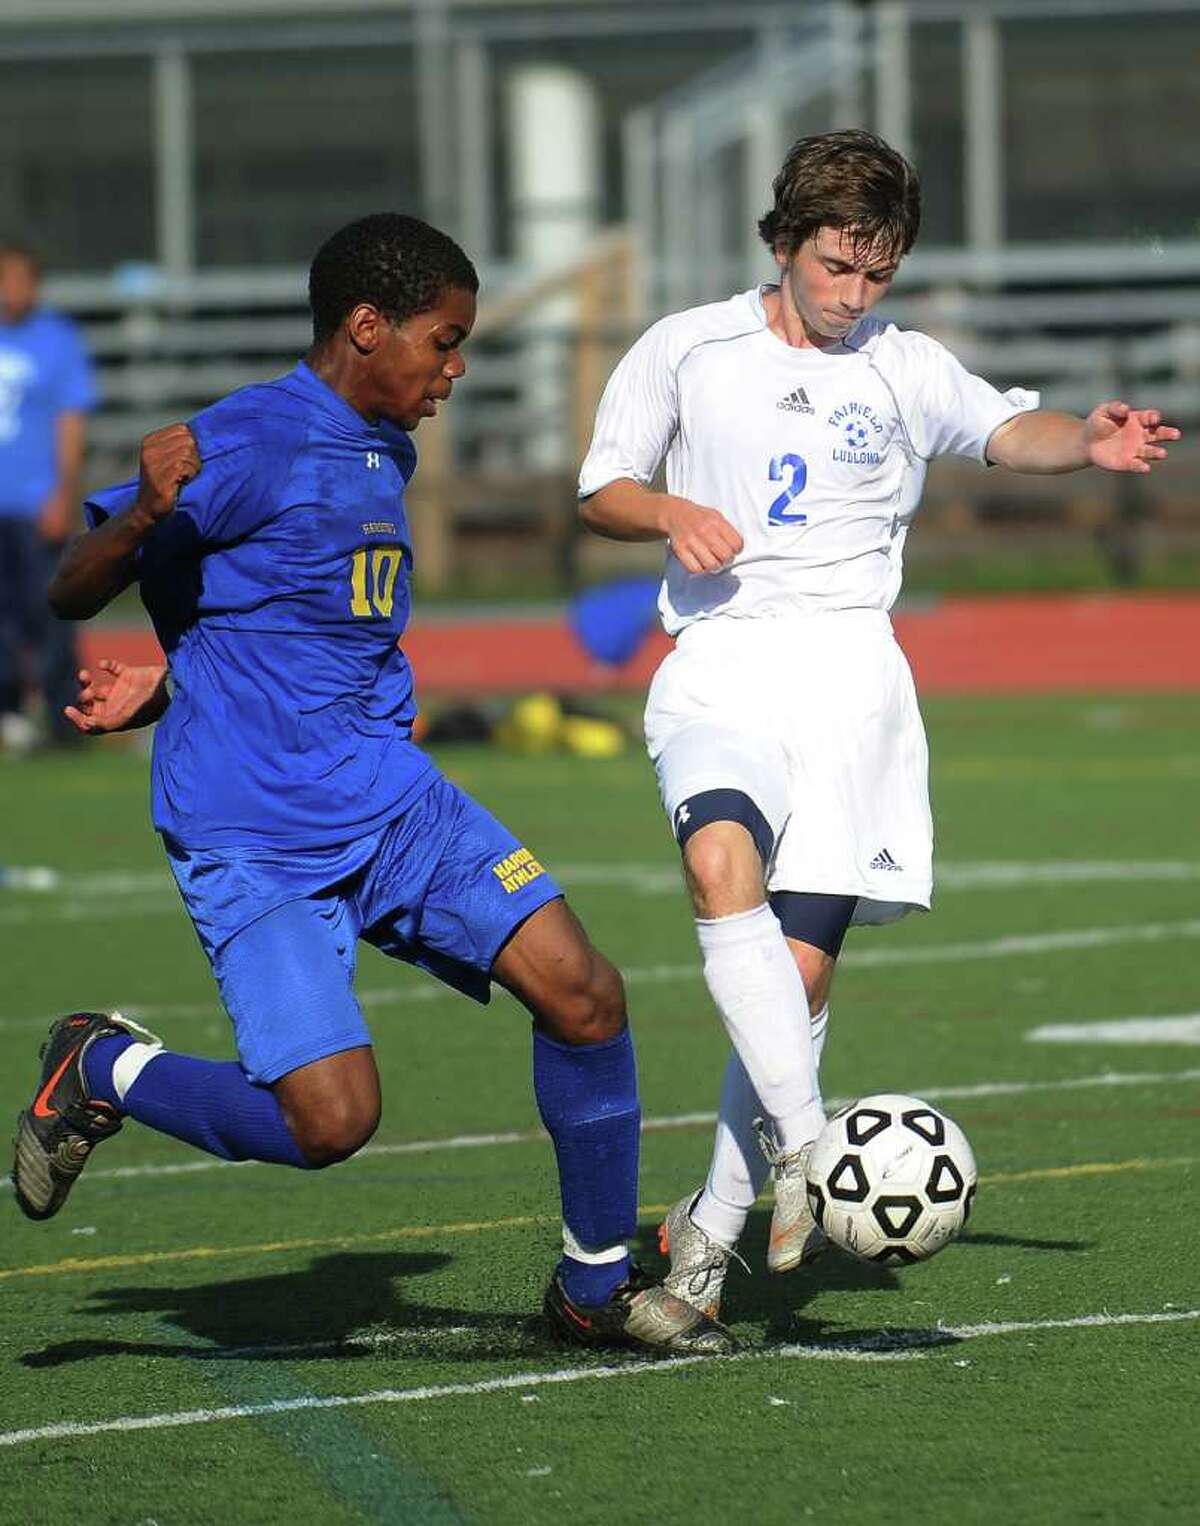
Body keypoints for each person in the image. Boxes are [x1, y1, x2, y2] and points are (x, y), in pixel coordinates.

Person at [10, 212, 732, 1358]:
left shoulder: (382, 441)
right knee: (331, 1122)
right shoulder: (244, 441)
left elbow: (287, 618)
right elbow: (67, 589)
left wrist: (173, 677)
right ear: (365, 326)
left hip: (394, 800)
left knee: (585, 991)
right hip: (254, 833)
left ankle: (593, 1284)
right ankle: (105, 1064)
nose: (454, 371)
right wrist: (145, 515)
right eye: (443, 343)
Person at [577, 129, 1180, 1319]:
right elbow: (601, 487)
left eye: (878, 275)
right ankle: (811, 1145)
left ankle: (706, 1239)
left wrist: (1089, 443)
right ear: (786, 242)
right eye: (838, 267)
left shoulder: (902, 363)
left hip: (855, 690)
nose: (855, 297)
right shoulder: (686, 348)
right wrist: (670, 510)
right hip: (725, 668)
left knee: (794, 983)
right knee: (718, 867)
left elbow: (1010, 429)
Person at [0, 238, 97, 750]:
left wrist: (63, 494)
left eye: (19, 279)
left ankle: (64, 720)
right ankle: (9, 713)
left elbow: (70, 424)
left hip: (35, 502)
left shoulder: (57, 341)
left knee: (50, 612)